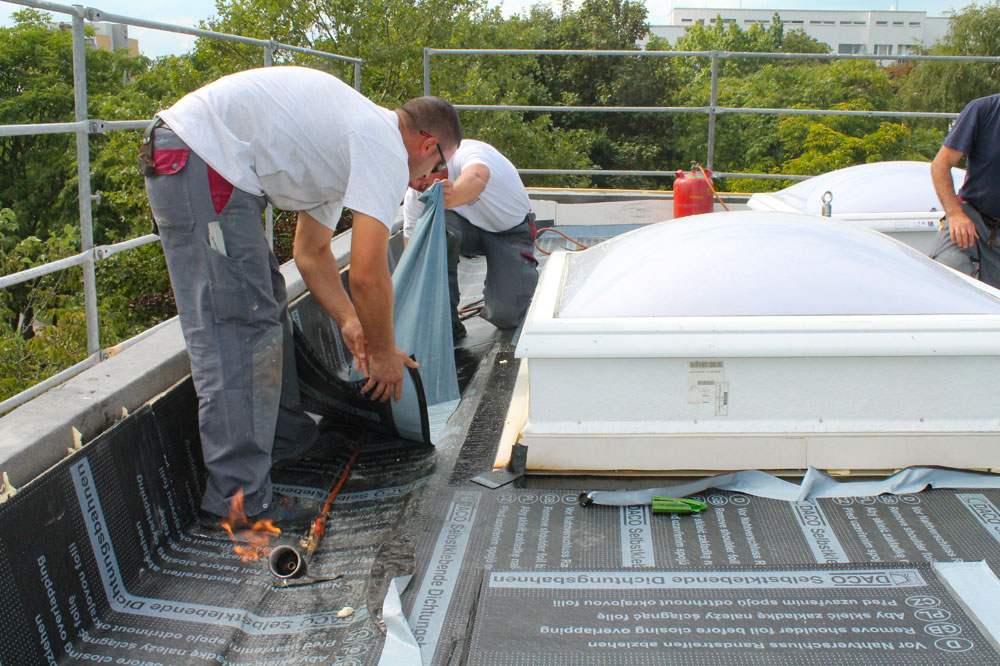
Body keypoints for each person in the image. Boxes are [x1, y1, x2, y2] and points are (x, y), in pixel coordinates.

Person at [139, 66, 461, 527]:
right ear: (427, 145)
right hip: (201, 158)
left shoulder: (346, 151)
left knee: (264, 304)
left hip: (207, 161)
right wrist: (383, 352)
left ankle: (288, 441)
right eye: (437, 167)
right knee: (239, 329)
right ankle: (238, 502)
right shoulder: (385, 147)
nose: (428, 179)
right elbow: (367, 274)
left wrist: (350, 321)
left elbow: (310, 253)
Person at [402, 139, 537, 338]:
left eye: (421, 175)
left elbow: (477, 176)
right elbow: (413, 250)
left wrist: (452, 195)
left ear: (436, 160)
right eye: (410, 180)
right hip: (468, 233)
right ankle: (447, 324)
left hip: (509, 233)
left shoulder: (467, 153)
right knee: (431, 228)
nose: (416, 185)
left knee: (506, 316)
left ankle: (505, 286)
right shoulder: (416, 196)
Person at [930, 93, 1000, 288]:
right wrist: (955, 215)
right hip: (972, 220)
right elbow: (940, 166)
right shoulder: (982, 110)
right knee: (948, 275)